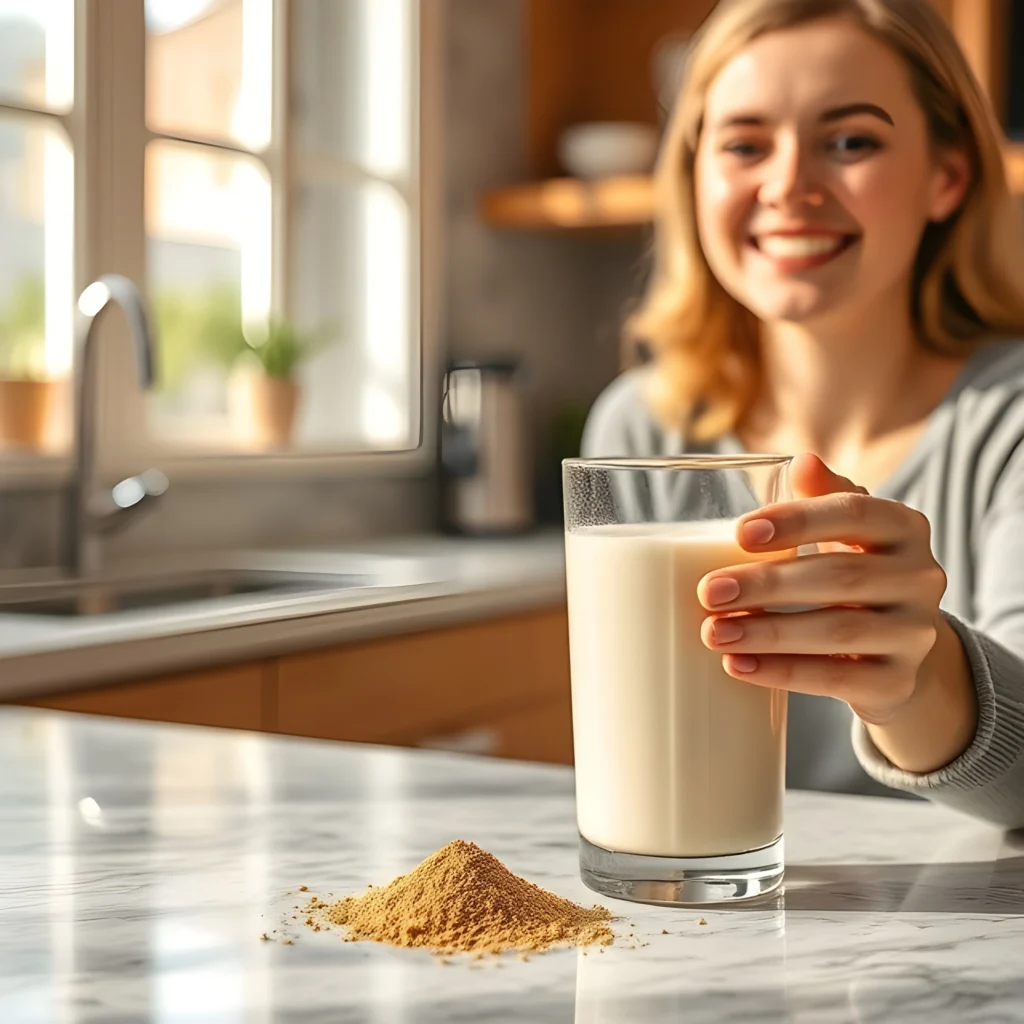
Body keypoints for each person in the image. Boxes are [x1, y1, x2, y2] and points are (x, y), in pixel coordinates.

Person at [582, 0, 1024, 827]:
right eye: (745, 145)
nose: (788, 186)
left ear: (947, 176)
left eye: (851, 141)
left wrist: (917, 679)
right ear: (696, 178)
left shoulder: (1011, 425)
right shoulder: (638, 433)